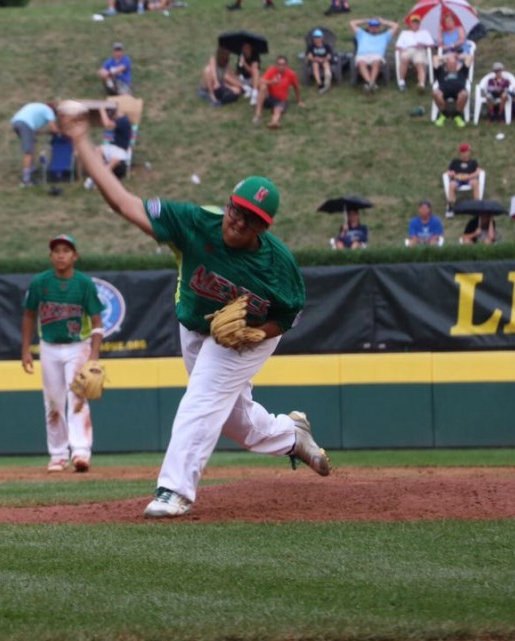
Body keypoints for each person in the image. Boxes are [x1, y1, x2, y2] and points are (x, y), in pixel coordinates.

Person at [57, 102, 330, 518]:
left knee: (201, 399)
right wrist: (79, 137)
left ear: (264, 227)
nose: (239, 220)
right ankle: (292, 437)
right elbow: (124, 204)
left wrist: (260, 332)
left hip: (251, 335)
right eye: (238, 209)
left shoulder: (279, 267)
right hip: (196, 328)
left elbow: (289, 315)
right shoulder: (193, 223)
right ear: (229, 202)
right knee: (234, 421)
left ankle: (175, 490)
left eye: (252, 218)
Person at [21, 234, 105, 474]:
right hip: (48, 346)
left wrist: (94, 354)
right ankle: (58, 455)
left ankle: (80, 451)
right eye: (56, 250)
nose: (60, 255)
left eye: (66, 250)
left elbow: (97, 322)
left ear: (74, 255)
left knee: (78, 397)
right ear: (50, 256)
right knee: (54, 401)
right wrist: (25, 349)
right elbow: (28, 315)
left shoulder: (84, 284)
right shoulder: (40, 283)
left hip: (78, 346)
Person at [10, 102, 58, 187]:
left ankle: (32, 168)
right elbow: (54, 129)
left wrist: (45, 132)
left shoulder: (39, 107)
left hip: (16, 122)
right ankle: (26, 180)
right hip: (25, 124)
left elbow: (34, 132)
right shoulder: (49, 111)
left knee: (33, 142)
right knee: (28, 151)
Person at [84, 106, 131, 188]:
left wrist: (101, 110)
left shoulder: (123, 121)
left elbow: (107, 124)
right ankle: (99, 174)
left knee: (112, 161)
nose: (111, 118)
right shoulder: (122, 120)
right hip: (114, 148)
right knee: (97, 150)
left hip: (120, 151)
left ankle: (98, 179)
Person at [254, 55, 304, 129]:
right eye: (279, 65)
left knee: (277, 109)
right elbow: (260, 81)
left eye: (283, 65)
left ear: (286, 65)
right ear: (276, 65)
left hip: (280, 100)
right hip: (269, 97)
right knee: (263, 87)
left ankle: (274, 122)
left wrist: (299, 100)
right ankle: (258, 114)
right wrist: (271, 82)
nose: (281, 67)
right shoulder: (272, 70)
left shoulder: (291, 74)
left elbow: (297, 87)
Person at [350, 17, 398, 93]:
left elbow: (395, 26)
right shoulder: (362, 34)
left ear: (379, 28)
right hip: (362, 55)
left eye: (376, 27)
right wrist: (365, 20)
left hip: (377, 55)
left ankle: (369, 83)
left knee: (376, 62)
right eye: (371, 27)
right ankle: (370, 83)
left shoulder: (385, 36)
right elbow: (352, 23)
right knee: (361, 63)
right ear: (368, 28)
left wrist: (383, 21)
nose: (374, 28)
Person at [395, 15, 434, 92]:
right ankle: (402, 82)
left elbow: (431, 44)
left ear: (419, 24)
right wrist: (402, 49)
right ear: (410, 24)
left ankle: (421, 85)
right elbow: (398, 46)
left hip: (419, 49)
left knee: (419, 63)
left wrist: (423, 44)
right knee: (404, 58)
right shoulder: (404, 33)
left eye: (417, 23)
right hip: (407, 49)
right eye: (413, 23)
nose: (415, 25)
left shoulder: (424, 32)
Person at [432, 54, 469, 127]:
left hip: (459, 91)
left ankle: (457, 116)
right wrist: (447, 57)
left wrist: (457, 56)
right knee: (435, 93)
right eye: (450, 63)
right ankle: (443, 114)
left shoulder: (462, 71)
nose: (452, 65)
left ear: (456, 64)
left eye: (454, 63)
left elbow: (469, 57)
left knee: (464, 94)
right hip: (443, 91)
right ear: (446, 64)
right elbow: (435, 58)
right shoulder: (441, 72)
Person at [445, 143, 482, 216]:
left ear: (469, 152)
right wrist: (455, 175)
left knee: (475, 182)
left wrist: (469, 176)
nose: (464, 154)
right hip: (458, 180)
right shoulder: (455, 162)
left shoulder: (473, 162)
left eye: (466, 152)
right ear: (459, 153)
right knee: (452, 185)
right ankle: (450, 206)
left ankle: (477, 205)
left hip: (469, 179)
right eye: (463, 152)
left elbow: (478, 171)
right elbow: (448, 171)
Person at [306, 30, 333, 94]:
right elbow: (309, 56)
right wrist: (315, 59)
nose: (317, 39)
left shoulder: (326, 46)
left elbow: (329, 56)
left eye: (318, 37)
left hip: (324, 60)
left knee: (326, 64)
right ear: (313, 38)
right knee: (315, 65)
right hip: (315, 61)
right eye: (315, 37)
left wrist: (323, 59)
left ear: (322, 38)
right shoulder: (311, 47)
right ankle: (319, 84)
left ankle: (327, 78)